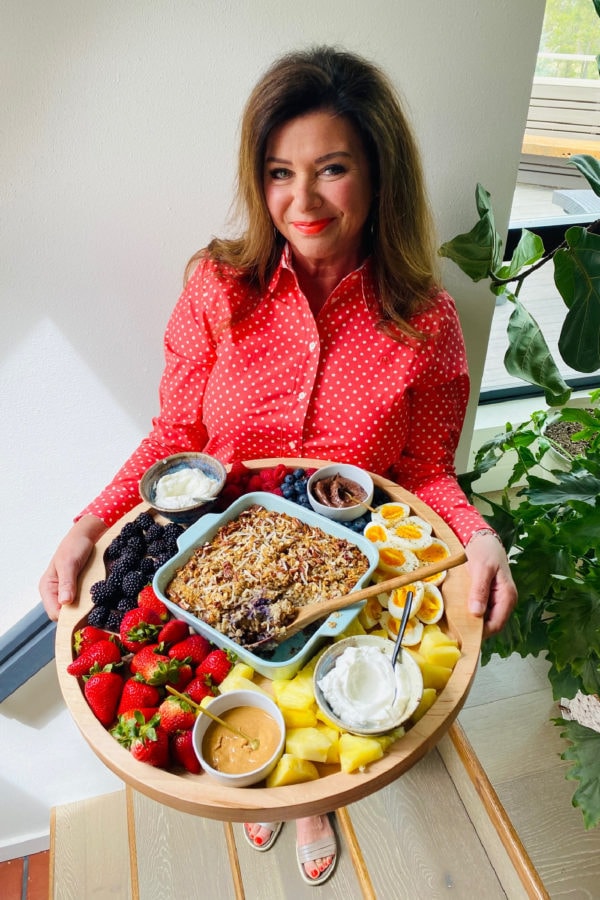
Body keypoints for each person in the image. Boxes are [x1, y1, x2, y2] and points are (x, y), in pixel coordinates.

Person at [40, 45, 517, 886]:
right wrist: (87, 522)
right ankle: (266, 780)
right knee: (239, 723)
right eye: (276, 172)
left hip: (340, 579)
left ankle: (308, 803)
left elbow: (427, 472)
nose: (301, 200)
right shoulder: (218, 288)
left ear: (378, 174)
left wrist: (477, 536)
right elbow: (175, 433)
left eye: (331, 168)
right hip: (212, 563)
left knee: (314, 735)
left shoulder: (426, 319)